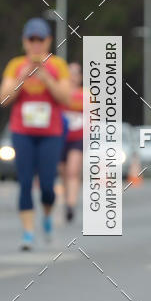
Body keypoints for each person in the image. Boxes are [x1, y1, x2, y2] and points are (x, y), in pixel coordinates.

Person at [0, 18, 71, 249]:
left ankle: (47, 216)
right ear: (25, 42)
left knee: (48, 185)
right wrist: (23, 77)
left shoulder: (57, 65)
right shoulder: (16, 65)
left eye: (41, 39)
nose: (36, 44)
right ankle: (28, 232)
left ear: (48, 41)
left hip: (51, 133)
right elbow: (3, 99)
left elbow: (66, 98)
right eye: (32, 39)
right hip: (22, 131)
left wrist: (46, 78)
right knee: (25, 182)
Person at [60, 62, 84, 222]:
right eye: (70, 73)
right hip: (60, 138)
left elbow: (94, 116)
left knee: (73, 171)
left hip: (78, 138)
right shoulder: (61, 93)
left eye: (76, 74)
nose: (73, 77)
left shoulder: (86, 95)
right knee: (63, 172)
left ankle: (71, 204)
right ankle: (67, 196)